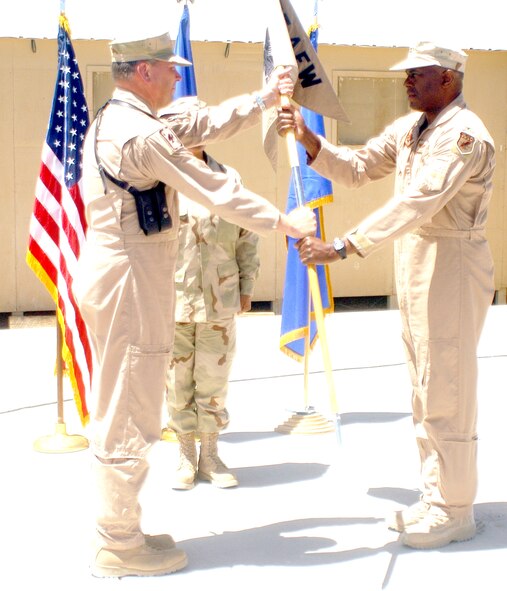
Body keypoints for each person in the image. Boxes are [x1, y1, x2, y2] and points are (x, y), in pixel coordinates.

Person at [72, 31, 316, 579]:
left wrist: (262, 98)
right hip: (130, 277)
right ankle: (118, 543)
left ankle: (124, 528)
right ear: (143, 72)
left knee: (130, 399)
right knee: (129, 408)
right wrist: (283, 221)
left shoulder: (128, 118)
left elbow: (204, 125)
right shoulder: (138, 133)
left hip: (129, 270)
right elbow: (213, 188)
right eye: (170, 68)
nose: (178, 76)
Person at [276, 42, 495, 550]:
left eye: (416, 75)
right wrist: (308, 138)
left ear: (448, 77)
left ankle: (454, 510)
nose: (406, 83)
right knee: (423, 388)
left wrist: (344, 247)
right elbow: (357, 167)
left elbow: (418, 202)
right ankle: (435, 494)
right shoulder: (413, 128)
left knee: (447, 388)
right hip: (419, 262)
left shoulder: (462, 135)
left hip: (452, 266)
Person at [162, 146, 258, 490]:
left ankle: (211, 457)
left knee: (214, 381)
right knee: (177, 382)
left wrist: (247, 284)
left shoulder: (229, 180)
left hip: (220, 298)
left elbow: (247, 236)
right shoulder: (162, 179)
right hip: (173, 300)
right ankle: (186, 455)